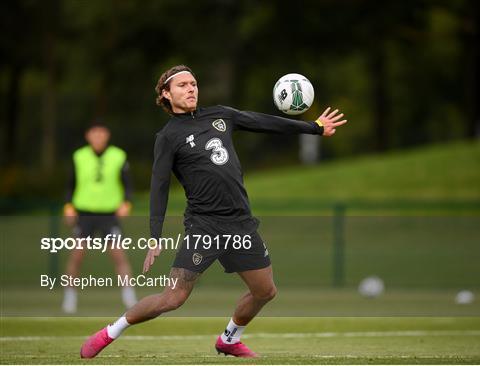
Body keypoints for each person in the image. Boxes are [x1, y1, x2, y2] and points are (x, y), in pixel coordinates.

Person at [80, 65, 346, 358]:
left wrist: (314, 127)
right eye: (182, 85)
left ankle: (229, 340)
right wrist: (154, 236)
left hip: (241, 224)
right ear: (166, 94)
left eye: (193, 83)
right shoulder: (168, 136)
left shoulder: (220, 115)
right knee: (173, 298)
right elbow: (159, 186)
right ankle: (110, 332)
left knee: (265, 291)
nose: (191, 88)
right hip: (204, 227)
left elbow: (263, 122)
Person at [62, 123, 137, 313]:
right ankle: (69, 298)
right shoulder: (79, 156)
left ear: (107, 135)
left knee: (119, 255)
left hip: (109, 214)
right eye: (94, 133)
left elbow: (128, 184)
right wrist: (69, 206)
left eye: (101, 133)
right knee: (76, 255)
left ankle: (129, 297)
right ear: (88, 135)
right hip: (84, 213)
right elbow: (70, 185)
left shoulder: (118, 155)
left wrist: (126, 203)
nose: (98, 136)